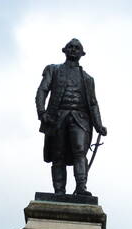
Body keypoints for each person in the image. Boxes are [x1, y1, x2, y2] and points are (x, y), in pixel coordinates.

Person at [36, 38, 106, 197]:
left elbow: (93, 104)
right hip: (57, 117)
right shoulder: (53, 70)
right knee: (58, 155)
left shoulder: (88, 79)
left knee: (80, 151)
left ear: (82, 53)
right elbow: (42, 90)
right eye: (71, 47)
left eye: (77, 48)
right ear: (64, 50)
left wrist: (99, 125)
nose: (74, 49)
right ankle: (59, 192)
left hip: (80, 119)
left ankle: (81, 187)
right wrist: (42, 112)